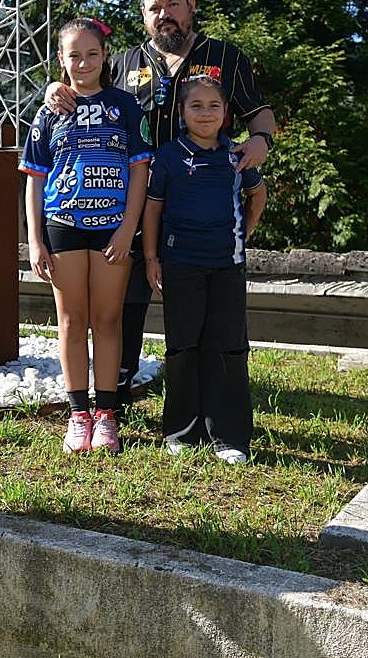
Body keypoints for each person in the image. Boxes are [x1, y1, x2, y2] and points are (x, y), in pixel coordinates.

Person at [45, 0, 276, 416]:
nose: (163, 14)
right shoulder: (129, 61)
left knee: (202, 306)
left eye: (172, 5)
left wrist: (261, 140)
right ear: (144, 17)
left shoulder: (225, 57)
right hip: (135, 200)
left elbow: (258, 113)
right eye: (154, 8)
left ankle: (207, 398)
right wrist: (56, 89)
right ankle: (120, 391)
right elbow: (85, 82)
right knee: (128, 299)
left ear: (190, 6)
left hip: (200, 202)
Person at [21, 18, 152, 454]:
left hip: (113, 229)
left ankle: (107, 414)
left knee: (108, 320)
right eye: (73, 55)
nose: (83, 63)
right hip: (63, 226)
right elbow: (35, 180)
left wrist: (128, 228)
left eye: (91, 54)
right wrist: (35, 240)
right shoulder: (50, 110)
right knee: (72, 321)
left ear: (104, 57)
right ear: (61, 59)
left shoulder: (126, 105)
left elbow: (139, 172)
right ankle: (78, 414)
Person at [141, 73, 267, 463]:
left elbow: (257, 193)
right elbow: (153, 209)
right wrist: (150, 258)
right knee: (183, 346)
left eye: (214, 105)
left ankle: (229, 437)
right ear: (181, 111)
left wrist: (242, 232)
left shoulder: (237, 155)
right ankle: (181, 430)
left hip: (227, 267)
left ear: (227, 113)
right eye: (196, 105)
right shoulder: (167, 157)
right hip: (180, 265)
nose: (205, 113)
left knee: (227, 348)